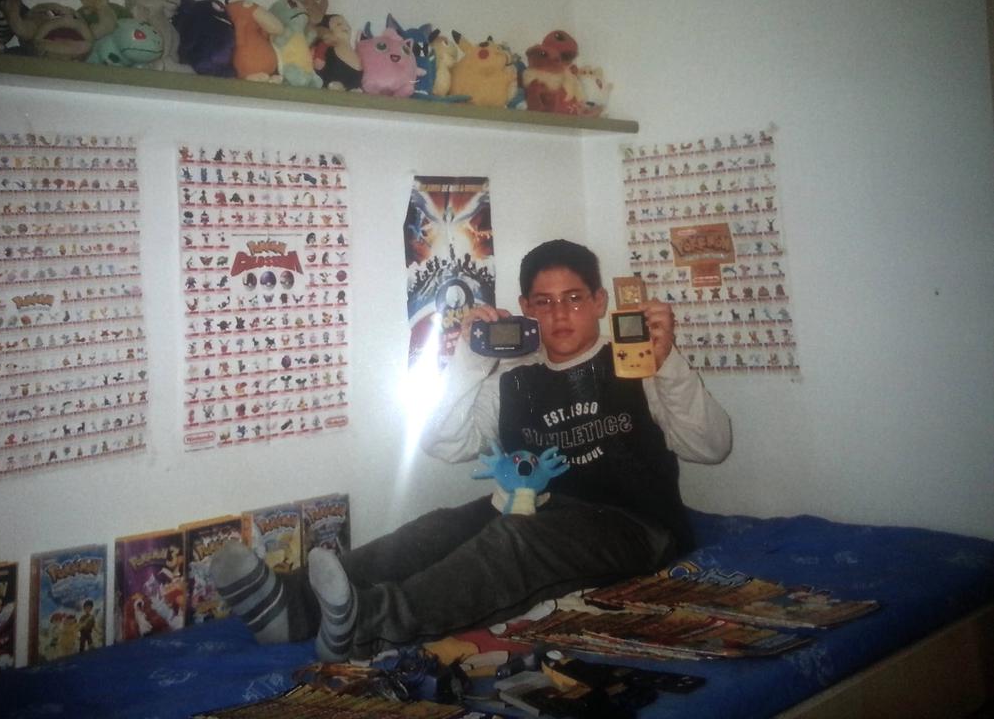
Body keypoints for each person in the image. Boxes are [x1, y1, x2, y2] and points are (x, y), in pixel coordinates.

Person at [212, 239, 731, 661]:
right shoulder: (511, 373)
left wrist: (668, 363)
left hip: (636, 526)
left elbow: (711, 447)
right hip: (534, 507)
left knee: (515, 542)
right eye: (543, 302)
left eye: (574, 298)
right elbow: (443, 443)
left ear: (599, 301)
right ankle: (293, 605)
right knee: (439, 528)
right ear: (526, 309)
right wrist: (468, 357)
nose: (560, 315)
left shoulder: (637, 361)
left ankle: (371, 623)